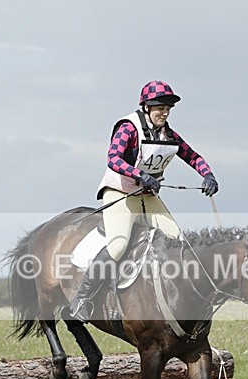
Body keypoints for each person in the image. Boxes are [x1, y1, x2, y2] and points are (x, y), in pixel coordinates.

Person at [69, 80, 219, 322]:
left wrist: (208, 174)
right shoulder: (129, 127)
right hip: (120, 192)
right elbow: (113, 159)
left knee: (177, 242)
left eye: (168, 108)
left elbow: (193, 156)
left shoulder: (168, 134)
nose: (165, 112)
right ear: (147, 107)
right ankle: (83, 299)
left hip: (147, 196)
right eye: (160, 107)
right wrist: (141, 175)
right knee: (118, 245)